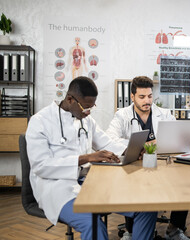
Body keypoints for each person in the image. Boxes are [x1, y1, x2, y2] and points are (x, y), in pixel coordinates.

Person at [26, 76, 157, 240]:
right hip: (56, 187)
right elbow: (41, 166)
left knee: (146, 207)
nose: (88, 112)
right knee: (92, 224)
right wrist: (86, 157)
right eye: (85, 107)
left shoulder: (86, 120)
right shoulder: (40, 122)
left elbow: (106, 143)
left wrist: (132, 150)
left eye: (91, 107)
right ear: (69, 99)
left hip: (88, 183)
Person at [106, 76, 189, 240]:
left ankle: (175, 228)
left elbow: (177, 137)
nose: (147, 101)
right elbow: (110, 139)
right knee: (131, 184)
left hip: (161, 165)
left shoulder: (164, 114)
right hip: (136, 166)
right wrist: (140, 144)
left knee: (182, 181)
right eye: (142, 97)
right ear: (132, 97)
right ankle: (131, 230)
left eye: (150, 96)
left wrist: (160, 142)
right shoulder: (122, 115)